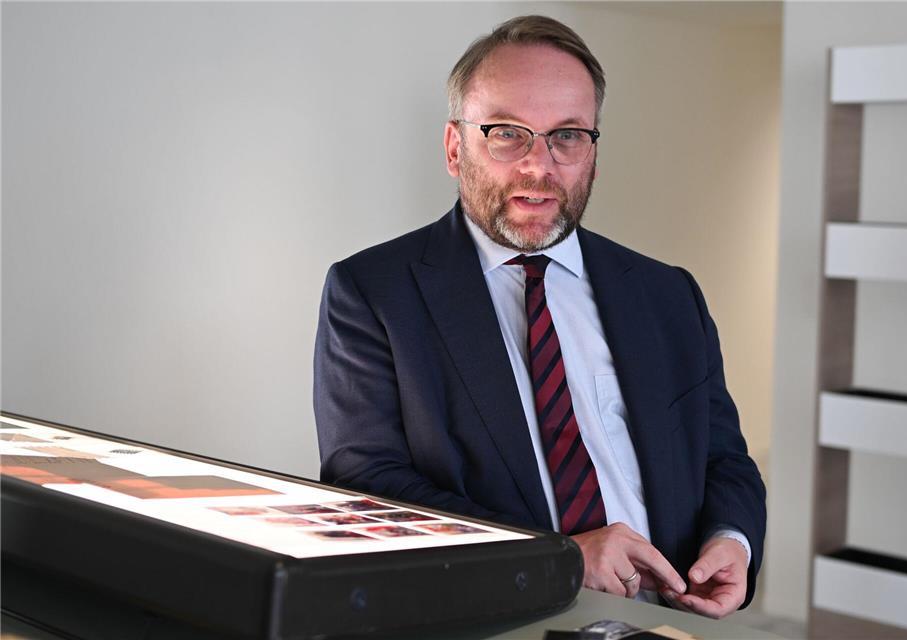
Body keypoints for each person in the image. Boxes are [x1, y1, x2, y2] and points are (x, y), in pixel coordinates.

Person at [313, 15, 765, 618]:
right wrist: (560, 556)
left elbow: (724, 458)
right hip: (497, 616)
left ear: (594, 155)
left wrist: (731, 540)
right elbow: (365, 488)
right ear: (455, 147)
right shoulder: (373, 292)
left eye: (568, 136)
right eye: (507, 133)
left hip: (671, 617)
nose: (539, 165)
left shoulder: (669, 293)